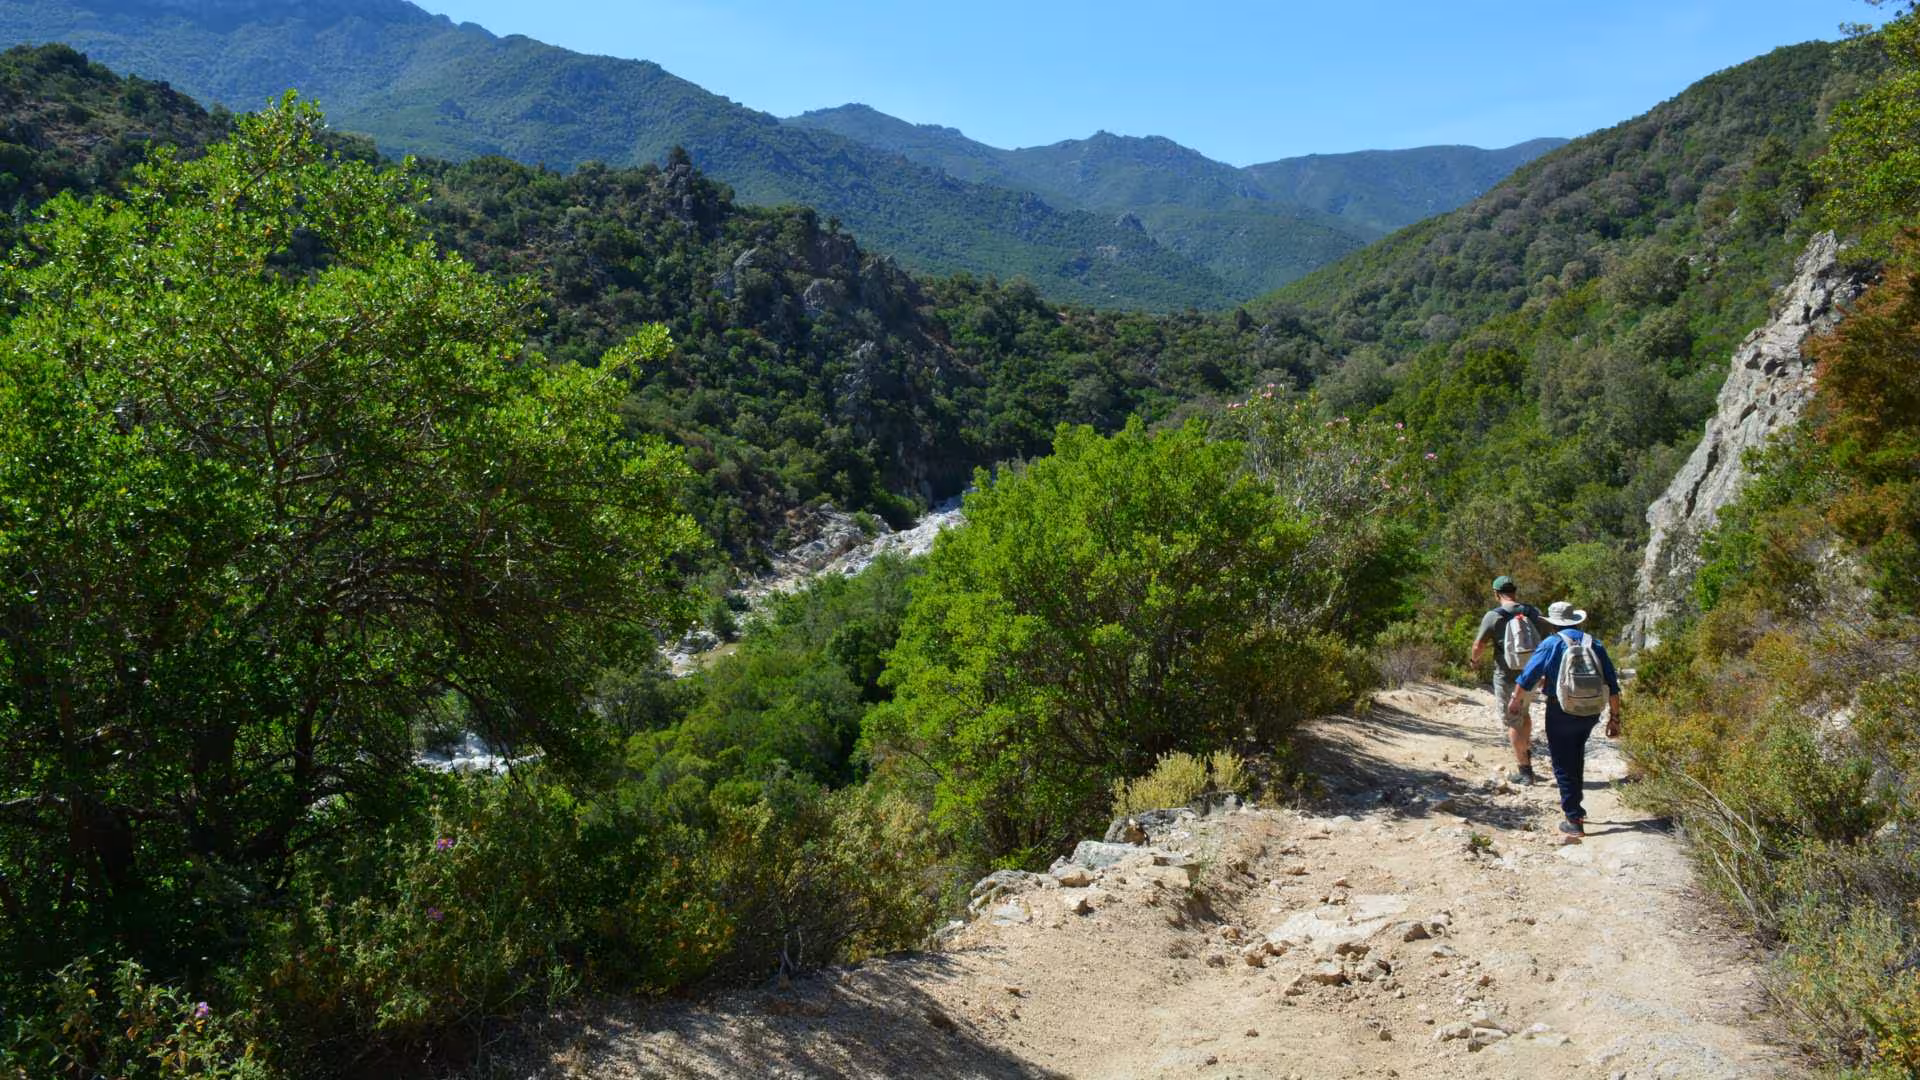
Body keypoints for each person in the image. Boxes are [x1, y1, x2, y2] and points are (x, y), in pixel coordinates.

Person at [1507, 601, 1624, 842]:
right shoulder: (1595, 643)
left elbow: (1528, 676)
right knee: (1576, 755)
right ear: (1577, 621)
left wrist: (1515, 700)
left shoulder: (1551, 643)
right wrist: (1615, 718)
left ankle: (1573, 819)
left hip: (1560, 709)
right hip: (1590, 711)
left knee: (1562, 762)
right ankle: (1576, 810)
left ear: (1553, 623)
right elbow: (1612, 685)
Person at [1469, 576, 1545, 784]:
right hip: (1531, 674)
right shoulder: (1533, 612)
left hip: (1506, 676)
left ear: (1496, 593)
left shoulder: (1493, 616)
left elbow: (1479, 646)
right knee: (1524, 714)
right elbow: (1547, 639)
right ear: (1515, 591)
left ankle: (1525, 771)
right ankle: (1525, 754)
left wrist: (1474, 661)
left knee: (1513, 720)